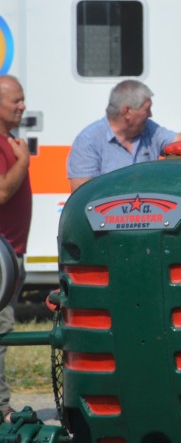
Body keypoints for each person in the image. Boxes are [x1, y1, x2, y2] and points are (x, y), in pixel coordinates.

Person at [67, 80, 181, 191]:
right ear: (127, 112)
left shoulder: (149, 130)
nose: (150, 114)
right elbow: (82, 194)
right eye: (146, 109)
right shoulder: (88, 142)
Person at [0, 76, 30, 421]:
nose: (23, 106)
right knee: (1, 331)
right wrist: (23, 162)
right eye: (16, 101)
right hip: (1, 261)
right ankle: (1, 408)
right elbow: (2, 193)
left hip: (11, 254)